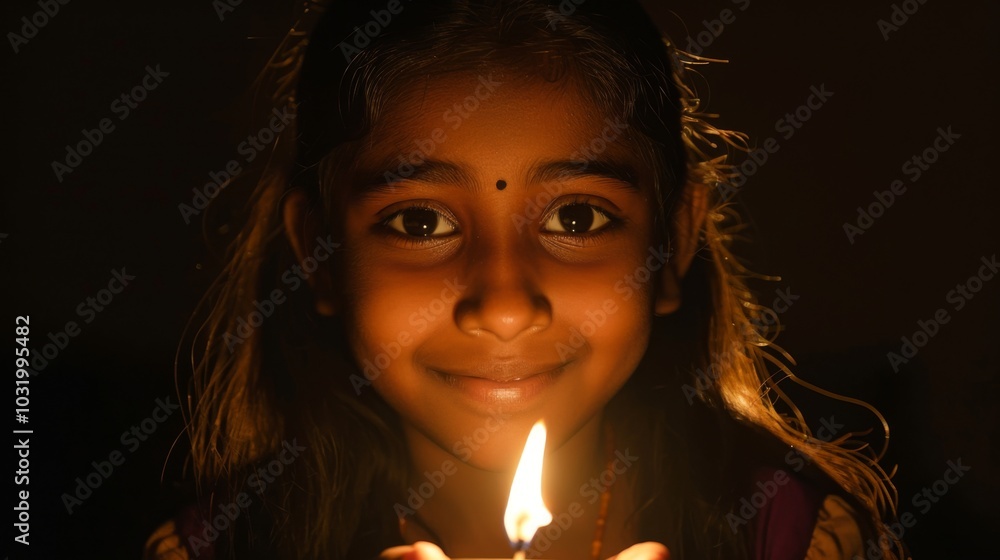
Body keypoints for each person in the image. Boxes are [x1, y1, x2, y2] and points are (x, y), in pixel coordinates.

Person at [145, 1, 906, 558]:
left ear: (672, 243)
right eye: (420, 223)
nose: (505, 305)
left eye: (576, 219)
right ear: (318, 254)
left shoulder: (791, 538)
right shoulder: (229, 546)